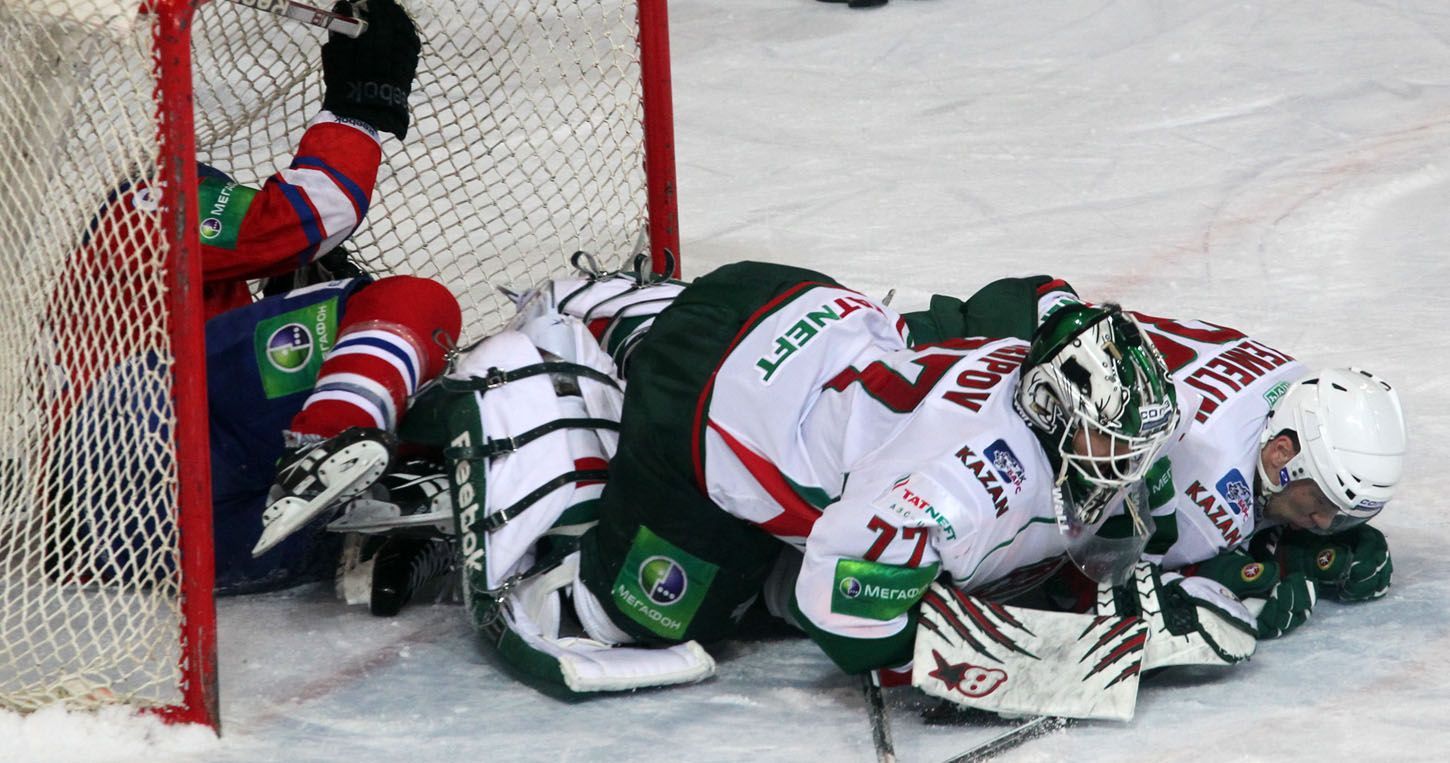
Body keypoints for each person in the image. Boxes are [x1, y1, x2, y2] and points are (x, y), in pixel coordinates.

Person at [294, 258, 1180, 693]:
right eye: (1111, 441)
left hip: (790, 301)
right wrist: (935, 661)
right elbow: (841, 604)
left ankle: (611, 311)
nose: (1126, 463)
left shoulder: (1033, 352)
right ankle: (468, 425)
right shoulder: (958, 482)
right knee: (638, 617)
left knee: (794, 516)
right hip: (705, 393)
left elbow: (1029, 294)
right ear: (1057, 410)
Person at [51, 0, 463, 595]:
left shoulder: (158, 286)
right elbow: (313, 211)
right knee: (411, 304)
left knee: (397, 436)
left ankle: (368, 489)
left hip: (168, 541)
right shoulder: (143, 204)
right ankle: (327, 440)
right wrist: (358, 107)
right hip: (125, 444)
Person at [902, 276, 1408, 640]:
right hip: (965, 394)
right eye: (1320, 502)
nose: (1326, 521)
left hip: (1013, 331)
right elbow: (1082, 575)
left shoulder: (1291, 382)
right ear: (1282, 454)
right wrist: (1222, 579)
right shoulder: (1209, 495)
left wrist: (1303, 538)